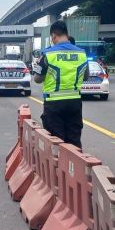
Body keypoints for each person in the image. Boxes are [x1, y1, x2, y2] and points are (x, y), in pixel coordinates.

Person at [33, 20, 89, 148]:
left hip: (54, 104)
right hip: (74, 102)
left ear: (53, 36)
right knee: (74, 141)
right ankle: (74, 167)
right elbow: (86, 77)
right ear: (67, 35)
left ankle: (59, 167)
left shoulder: (48, 54)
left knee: (56, 143)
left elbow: (37, 79)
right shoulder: (81, 53)